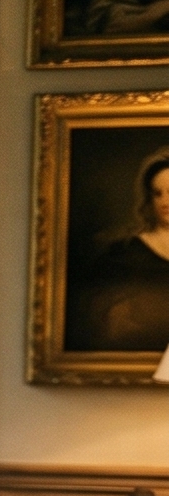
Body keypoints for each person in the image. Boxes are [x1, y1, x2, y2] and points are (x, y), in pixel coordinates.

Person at [76, 146, 169, 352]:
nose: (165, 201)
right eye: (157, 193)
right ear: (148, 199)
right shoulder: (125, 254)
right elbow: (107, 322)